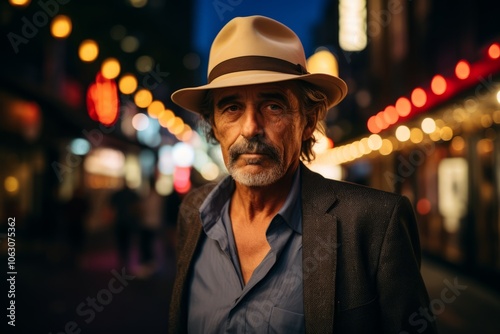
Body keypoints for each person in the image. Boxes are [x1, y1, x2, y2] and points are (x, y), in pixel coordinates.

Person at [168, 16, 437, 334]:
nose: (251, 127)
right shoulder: (194, 213)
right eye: (231, 108)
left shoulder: (374, 223)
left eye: (273, 106)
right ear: (213, 125)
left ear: (308, 122)